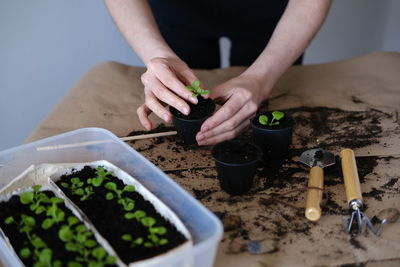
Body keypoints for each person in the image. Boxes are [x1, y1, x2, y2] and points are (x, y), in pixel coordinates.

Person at [105, 0, 332, 146]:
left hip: (271, 13)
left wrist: (261, 80)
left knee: (254, 111)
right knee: (180, 92)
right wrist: (155, 54)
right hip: (176, 10)